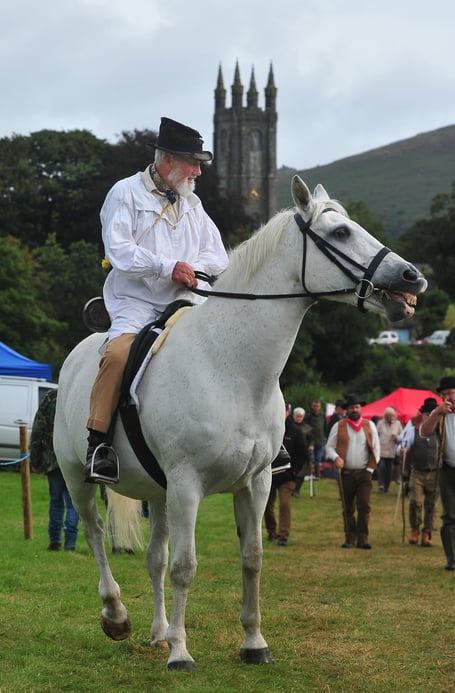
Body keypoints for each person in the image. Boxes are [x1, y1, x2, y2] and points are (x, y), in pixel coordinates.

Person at [85, 117, 229, 484]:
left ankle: (262, 437)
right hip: (137, 302)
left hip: (185, 300)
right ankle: (98, 444)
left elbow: (220, 258)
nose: (198, 170)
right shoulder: (125, 193)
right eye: (193, 162)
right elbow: (118, 251)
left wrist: (189, 269)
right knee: (118, 355)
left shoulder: (192, 203)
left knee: (237, 345)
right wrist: (168, 267)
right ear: (168, 161)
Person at [325, 393, 380, 549]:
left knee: (364, 506)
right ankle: (350, 538)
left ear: (361, 408)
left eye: (357, 407)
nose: (354, 410)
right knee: (348, 507)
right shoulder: (339, 426)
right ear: (346, 410)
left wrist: (370, 469)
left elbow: (376, 449)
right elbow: (329, 447)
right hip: (346, 473)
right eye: (351, 407)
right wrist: (336, 457)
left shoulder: (369, 426)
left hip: (364, 473)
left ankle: (363, 538)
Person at [30, 389, 79, 551]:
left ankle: (55, 541)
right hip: (74, 460)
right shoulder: (78, 395)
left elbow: (38, 428)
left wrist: (35, 459)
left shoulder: (50, 397)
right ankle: (70, 543)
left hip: (52, 460)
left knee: (56, 502)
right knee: (73, 504)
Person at [421, 376, 455, 570]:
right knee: (450, 515)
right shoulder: (441, 414)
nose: (447, 397)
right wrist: (435, 413)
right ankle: (452, 559)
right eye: (443, 394)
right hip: (448, 469)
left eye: (450, 393)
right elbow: (424, 432)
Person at [264, 405, 307, 546]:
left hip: (288, 477)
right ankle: (271, 531)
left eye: (284, 410)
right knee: (267, 505)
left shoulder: (295, 431)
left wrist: (293, 471)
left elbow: (302, 455)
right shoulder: (268, 429)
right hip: (270, 475)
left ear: (288, 412)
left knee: (284, 504)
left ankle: (283, 536)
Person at [398, 397, 439, 547]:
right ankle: (415, 529)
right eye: (427, 413)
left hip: (435, 472)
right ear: (422, 414)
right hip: (417, 471)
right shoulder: (413, 429)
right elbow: (403, 446)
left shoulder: (440, 431)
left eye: (432, 414)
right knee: (415, 501)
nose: (429, 416)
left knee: (431, 505)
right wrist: (402, 451)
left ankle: (427, 532)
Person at [376, 406, 403, 493]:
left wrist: (397, 437)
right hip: (382, 449)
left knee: (389, 470)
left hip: (392, 450)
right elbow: (376, 435)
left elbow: (402, 436)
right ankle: (381, 485)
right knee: (382, 467)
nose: (391, 418)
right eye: (389, 416)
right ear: (386, 416)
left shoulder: (398, 424)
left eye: (392, 416)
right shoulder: (380, 423)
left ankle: (387, 487)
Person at [291, 406, 314, 497]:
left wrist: (311, 445)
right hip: (292, 453)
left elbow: (312, 439)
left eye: (300, 416)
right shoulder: (290, 426)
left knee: (302, 473)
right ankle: (291, 489)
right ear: (294, 416)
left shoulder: (308, 428)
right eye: (297, 416)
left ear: (303, 417)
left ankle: (296, 490)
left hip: (303, 453)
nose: (299, 418)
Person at [304, 399, 327, 478]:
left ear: (320, 406)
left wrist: (324, 437)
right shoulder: (308, 416)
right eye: (314, 406)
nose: (316, 407)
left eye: (317, 406)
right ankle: (309, 473)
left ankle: (317, 473)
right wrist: (310, 439)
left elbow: (325, 426)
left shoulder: (322, 415)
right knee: (311, 459)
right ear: (312, 406)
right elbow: (306, 428)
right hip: (311, 441)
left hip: (320, 440)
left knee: (318, 458)